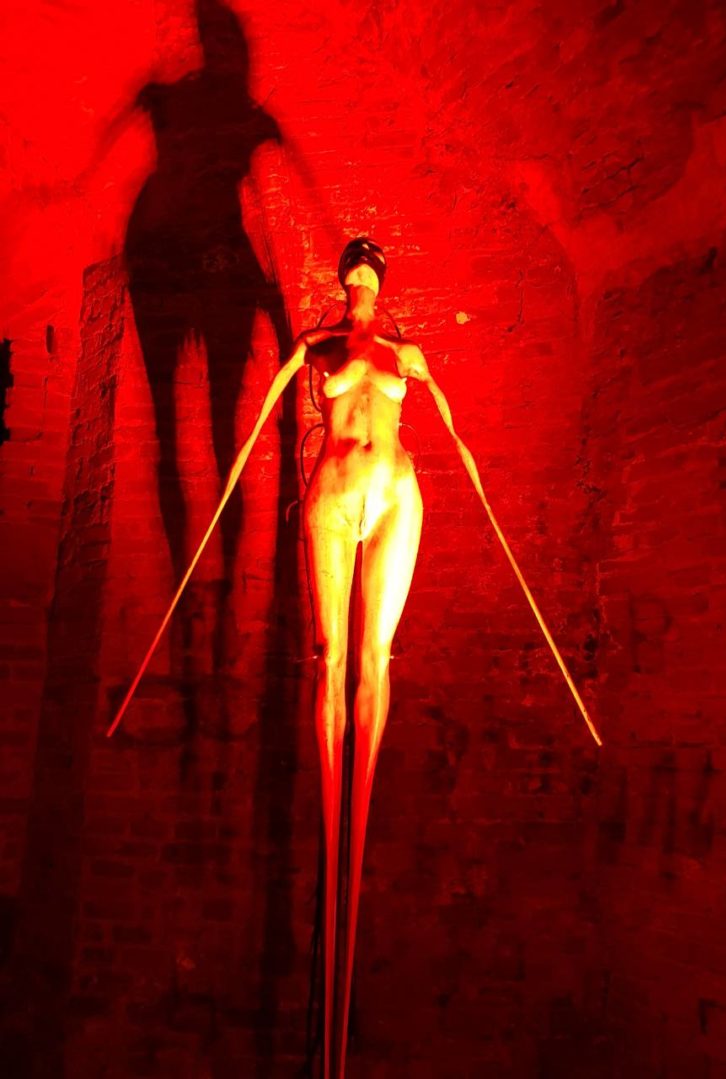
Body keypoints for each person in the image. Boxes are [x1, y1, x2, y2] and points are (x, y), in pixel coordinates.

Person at [108, 236, 600, 1079]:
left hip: (397, 488)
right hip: (334, 490)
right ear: (342, 282)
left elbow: (451, 427)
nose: (362, 275)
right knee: (331, 657)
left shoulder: (406, 351)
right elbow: (257, 419)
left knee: (378, 657)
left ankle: (356, 846)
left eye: (371, 267)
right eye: (353, 268)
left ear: (381, 281)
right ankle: (334, 854)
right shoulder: (318, 344)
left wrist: (474, 470)